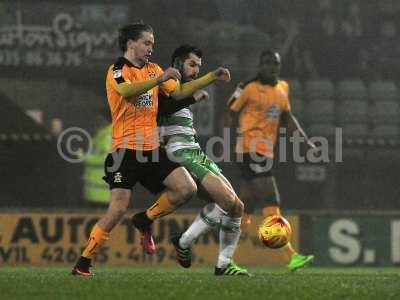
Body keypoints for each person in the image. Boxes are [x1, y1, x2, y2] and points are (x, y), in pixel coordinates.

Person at [72, 23, 227, 276]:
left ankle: (145, 219)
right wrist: (159, 79)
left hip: (152, 150)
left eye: (152, 44)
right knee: (118, 208)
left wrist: (210, 77)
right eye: (146, 43)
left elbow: (177, 94)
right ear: (131, 43)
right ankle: (83, 262)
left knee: (186, 188)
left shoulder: (154, 69)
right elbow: (126, 90)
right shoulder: (118, 70)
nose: (150, 48)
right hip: (124, 152)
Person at [152, 45, 249, 276]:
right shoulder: (166, 83)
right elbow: (161, 107)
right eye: (192, 64)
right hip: (180, 153)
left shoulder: (181, 88)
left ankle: (224, 264)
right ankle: (184, 242)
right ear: (177, 63)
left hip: (195, 151)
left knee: (237, 207)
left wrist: (187, 128)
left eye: (198, 66)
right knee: (226, 201)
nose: (195, 70)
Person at [226, 49, 314, 271]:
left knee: (245, 207)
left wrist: (304, 141)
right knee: (271, 197)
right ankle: (290, 256)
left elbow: (287, 117)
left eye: (275, 63)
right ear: (260, 65)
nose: (271, 67)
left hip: (266, 152)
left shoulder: (283, 88)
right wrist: (227, 142)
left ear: (279, 66)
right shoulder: (247, 87)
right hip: (249, 149)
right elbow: (229, 113)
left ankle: (225, 258)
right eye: (266, 63)